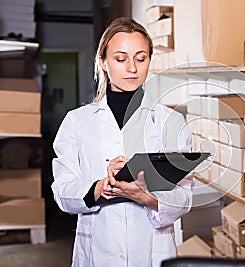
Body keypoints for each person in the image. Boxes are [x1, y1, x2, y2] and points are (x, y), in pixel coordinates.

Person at [51, 17, 193, 267]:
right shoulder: (77, 122)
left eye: (140, 58)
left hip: (152, 251)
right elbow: (63, 191)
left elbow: (184, 197)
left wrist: (146, 196)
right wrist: (101, 188)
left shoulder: (171, 122)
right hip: (97, 250)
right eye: (120, 58)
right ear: (103, 63)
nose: (132, 68)